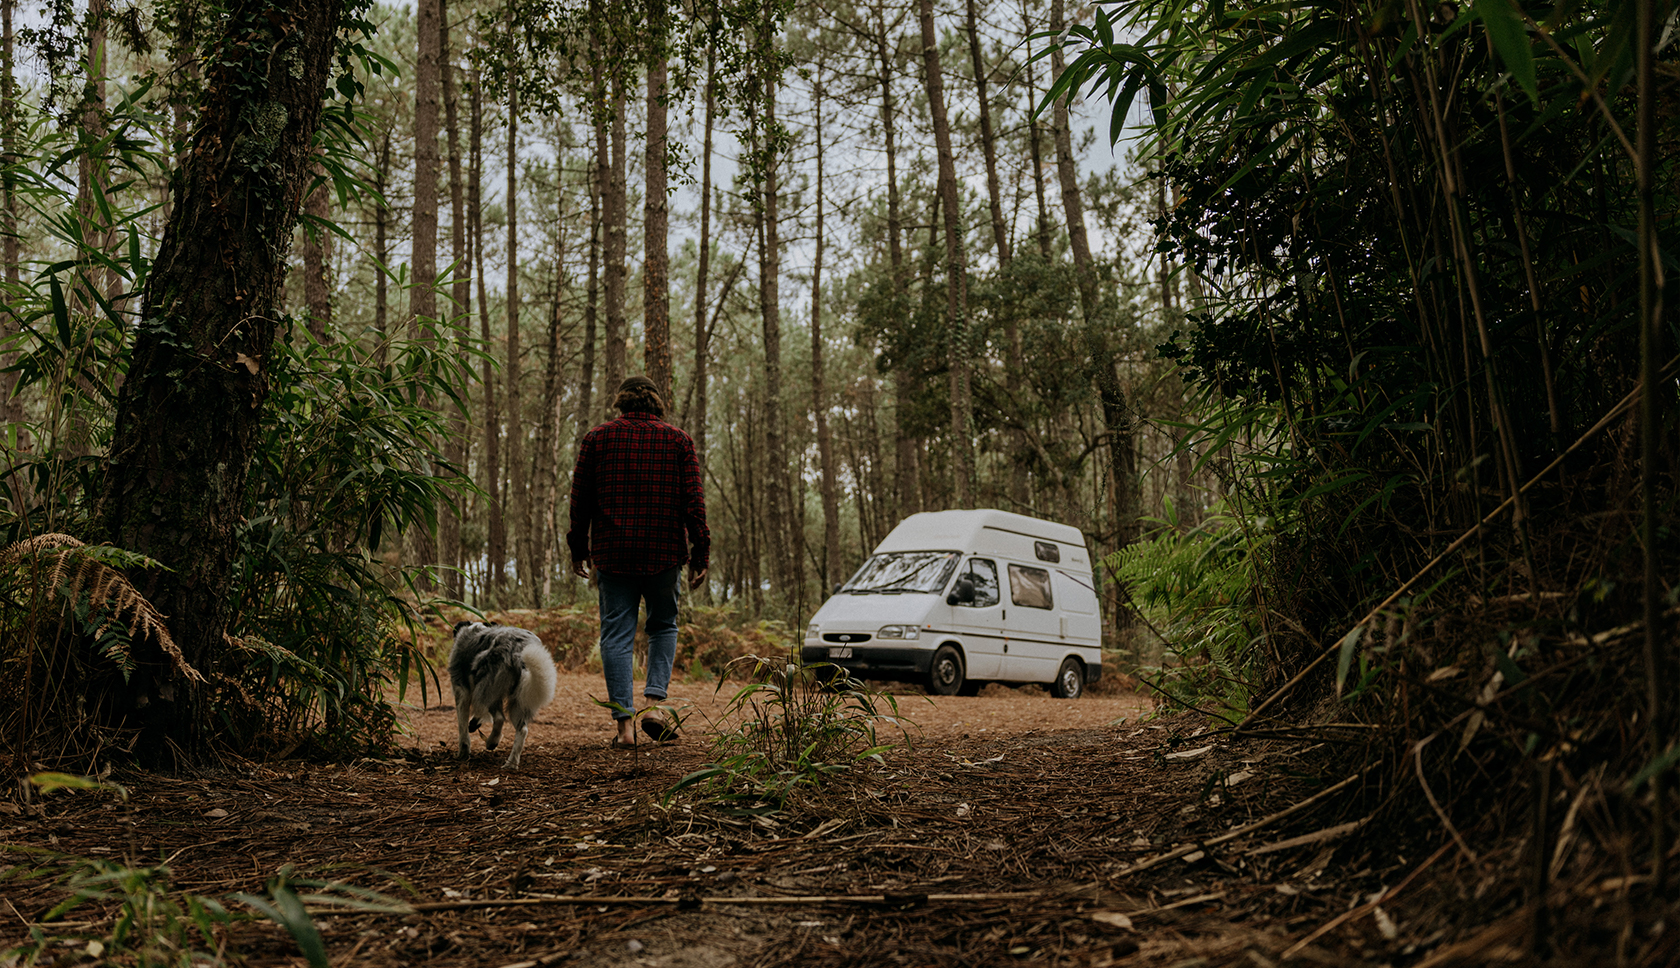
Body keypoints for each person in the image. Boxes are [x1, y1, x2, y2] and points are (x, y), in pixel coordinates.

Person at [567, 375, 709, 748]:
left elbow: (579, 501)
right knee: (663, 627)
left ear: (621, 402)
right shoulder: (678, 440)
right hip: (663, 554)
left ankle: (625, 729)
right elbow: (694, 502)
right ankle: (654, 707)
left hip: (613, 554)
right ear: (657, 404)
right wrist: (701, 551)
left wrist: (577, 548)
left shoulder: (597, 438)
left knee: (616, 636)